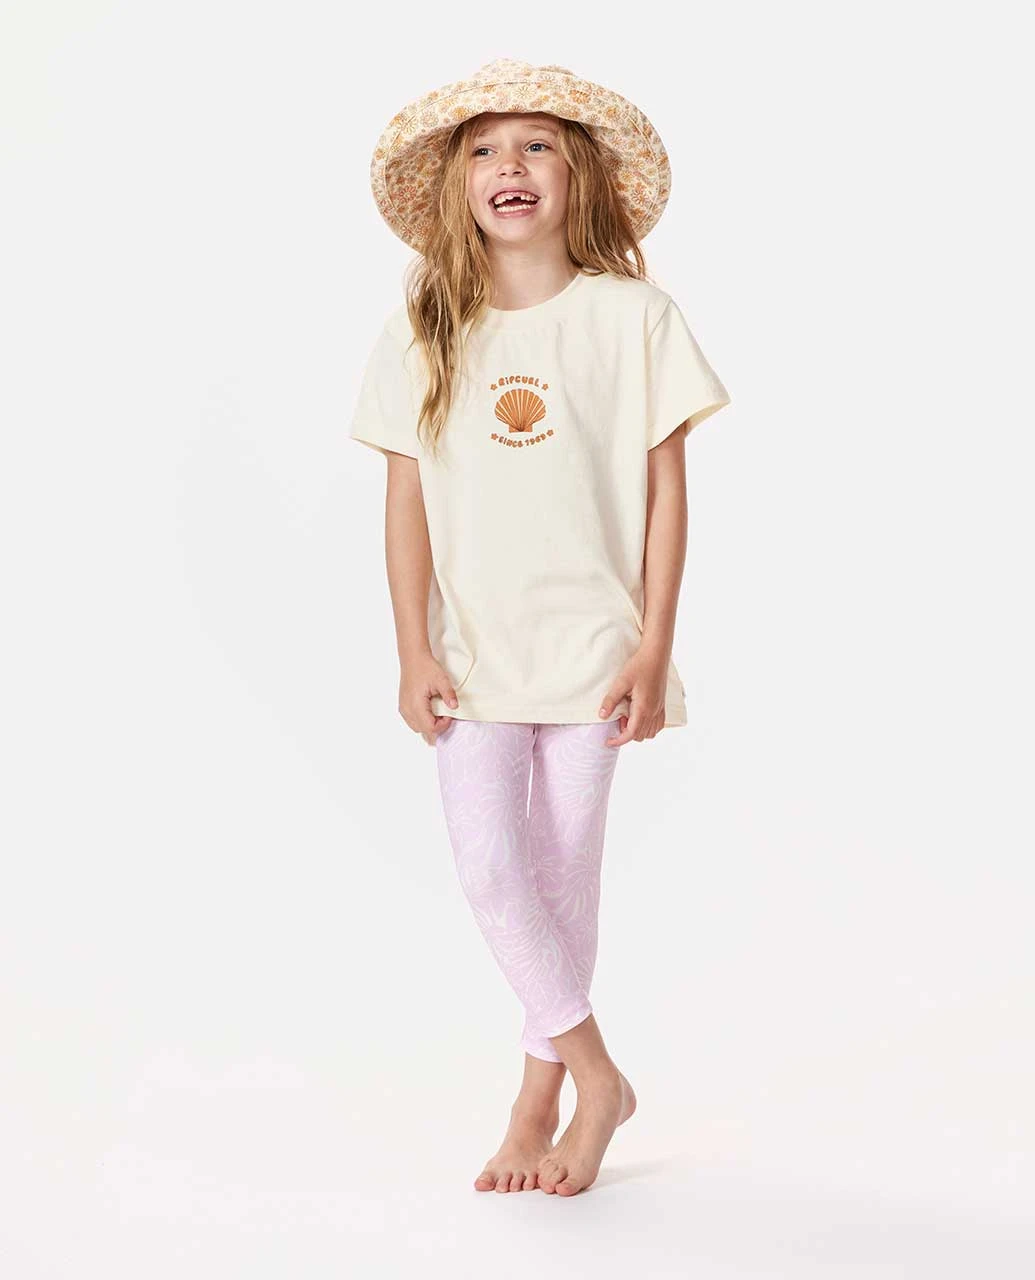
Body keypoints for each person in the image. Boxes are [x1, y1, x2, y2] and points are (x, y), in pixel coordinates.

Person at [348, 58, 731, 1197]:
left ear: (580, 177)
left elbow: (666, 493)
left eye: (537, 145)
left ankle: (536, 1099)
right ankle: (598, 1075)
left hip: (596, 653)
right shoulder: (426, 326)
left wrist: (653, 647)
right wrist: (412, 647)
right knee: (488, 867)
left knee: (561, 879)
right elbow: (405, 499)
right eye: (483, 148)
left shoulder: (635, 319)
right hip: (472, 658)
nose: (507, 166)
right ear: (456, 183)